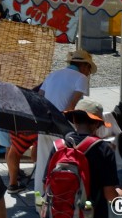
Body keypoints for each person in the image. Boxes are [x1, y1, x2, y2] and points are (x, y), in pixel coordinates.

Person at [49, 98, 122, 218]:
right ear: (96, 124)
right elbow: (110, 195)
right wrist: (121, 196)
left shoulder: (58, 147)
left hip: (61, 217)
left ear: (73, 120)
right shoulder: (104, 150)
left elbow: (47, 183)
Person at [34, 48, 95, 194]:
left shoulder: (53, 74)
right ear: (84, 66)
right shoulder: (81, 78)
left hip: (44, 121)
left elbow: (39, 98)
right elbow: (71, 106)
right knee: (60, 162)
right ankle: (56, 199)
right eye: (89, 69)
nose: (88, 73)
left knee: (42, 160)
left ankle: (40, 201)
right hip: (61, 124)